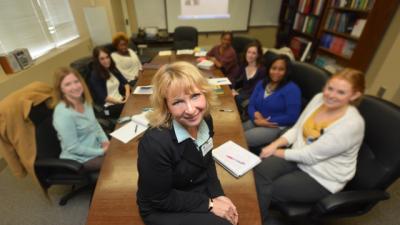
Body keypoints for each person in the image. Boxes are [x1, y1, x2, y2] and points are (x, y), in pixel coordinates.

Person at [254, 68, 365, 224]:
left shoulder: (351, 124)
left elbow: (310, 156)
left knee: (268, 189)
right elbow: (297, 129)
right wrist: (274, 145)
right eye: (330, 88)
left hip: (321, 176)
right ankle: (258, 217)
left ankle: (257, 220)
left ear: (354, 95)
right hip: (297, 155)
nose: (331, 95)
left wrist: (275, 152)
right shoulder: (319, 98)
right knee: (257, 173)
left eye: (341, 92)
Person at [137, 61, 239, 225]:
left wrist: (218, 194)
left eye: (195, 96)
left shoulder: (205, 119)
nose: (191, 110)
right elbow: (159, 198)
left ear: (205, 93)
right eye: (178, 102)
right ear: (166, 106)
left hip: (192, 187)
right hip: (162, 205)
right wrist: (210, 204)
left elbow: (207, 161)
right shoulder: (155, 143)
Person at [52, 67, 109, 171]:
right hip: (81, 159)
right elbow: (73, 148)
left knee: (123, 150)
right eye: (68, 84)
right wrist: (101, 151)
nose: (74, 87)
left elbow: (95, 125)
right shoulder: (63, 113)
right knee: (116, 163)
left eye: (76, 81)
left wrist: (105, 141)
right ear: (61, 89)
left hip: (97, 147)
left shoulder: (84, 101)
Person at [243, 55, 301, 149]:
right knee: (234, 132)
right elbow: (251, 104)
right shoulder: (262, 83)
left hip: (275, 126)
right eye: (273, 68)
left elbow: (292, 116)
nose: (276, 72)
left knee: (243, 138)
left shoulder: (292, 89)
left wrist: (265, 121)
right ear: (269, 69)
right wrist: (255, 114)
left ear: (287, 71)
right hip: (256, 120)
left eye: (281, 69)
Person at [90, 46, 131, 119]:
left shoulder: (112, 69)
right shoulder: (95, 76)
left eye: (107, 57)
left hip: (121, 101)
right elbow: (104, 97)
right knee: (130, 107)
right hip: (108, 108)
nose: (106, 60)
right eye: (102, 59)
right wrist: (121, 102)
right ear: (97, 60)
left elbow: (125, 83)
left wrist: (127, 96)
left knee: (133, 102)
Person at [231, 41, 266, 119]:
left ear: (258, 55)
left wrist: (237, 94)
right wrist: (233, 89)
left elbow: (256, 90)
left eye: (254, 53)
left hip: (252, 97)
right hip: (242, 94)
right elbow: (233, 78)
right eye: (249, 52)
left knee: (236, 99)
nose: (250, 55)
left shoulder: (262, 70)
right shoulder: (244, 65)